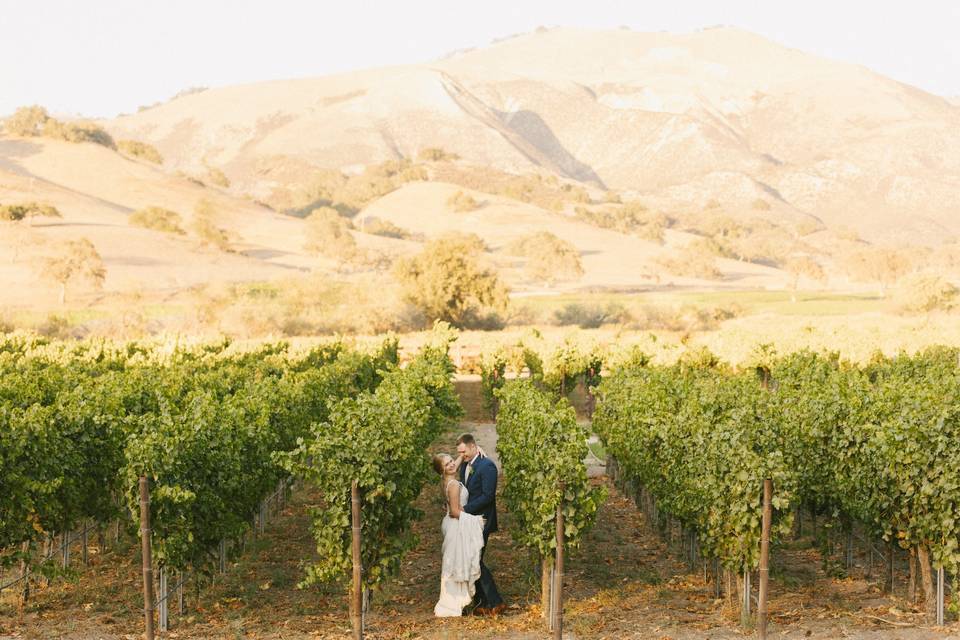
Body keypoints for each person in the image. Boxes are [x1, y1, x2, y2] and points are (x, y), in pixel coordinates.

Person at [456, 433, 505, 616]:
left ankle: (495, 601)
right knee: (473, 560)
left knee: (475, 560)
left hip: (482, 520)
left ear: (473, 446)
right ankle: (482, 603)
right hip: (469, 520)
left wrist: (464, 510)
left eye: (464, 452)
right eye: (460, 453)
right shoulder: (467, 465)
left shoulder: (488, 466)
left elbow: (487, 496)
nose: (462, 456)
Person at [432, 453, 485, 617]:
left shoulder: (447, 480)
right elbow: (455, 512)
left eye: (451, 461)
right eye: (447, 464)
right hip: (456, 525)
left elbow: (455, 462)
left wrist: (471, 451)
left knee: (454, 561)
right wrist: (475, 520)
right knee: (457, 561)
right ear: (442, 470)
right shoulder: (454, 484)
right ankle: (452, 603)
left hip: (450, 523)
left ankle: (455, 600)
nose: (451, 464)